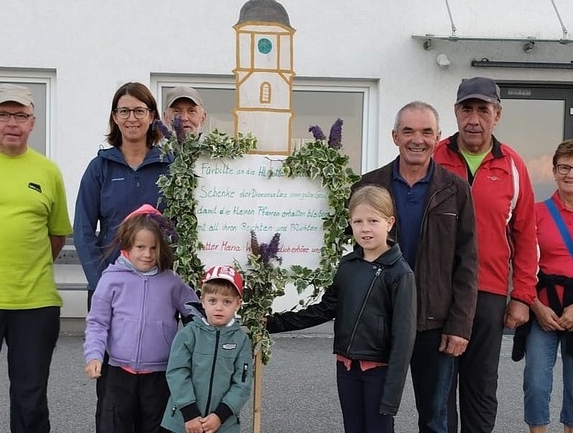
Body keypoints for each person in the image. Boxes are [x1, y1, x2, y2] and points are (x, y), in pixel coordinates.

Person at [354, 101, 478, 433]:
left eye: (426, 132)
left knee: (435, 419)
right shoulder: (369, 186)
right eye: (408, 131)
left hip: (434, 324)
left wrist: (460, 325)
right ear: (395, 136)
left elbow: (467, 262)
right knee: (376, 417)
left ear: (438, 137)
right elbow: (355, 258)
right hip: (380, 322)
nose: (417, 140)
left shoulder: (456, 189)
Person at [267, 185, 416, 433]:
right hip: (346, 369)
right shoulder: (348, 266)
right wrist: (273, 323)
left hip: (378, 373)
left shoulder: (400, 274)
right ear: (350, 223)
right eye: (358, 221)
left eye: (373, 221)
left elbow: (404, 339)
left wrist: (391, 396)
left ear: (389, 223)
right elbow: (324, 309)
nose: (365, 228)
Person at [434, 77, 537, 433]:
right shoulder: (434, 158)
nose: (474, 119)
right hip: (438, 291)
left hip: (488, 292)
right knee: (439, 386)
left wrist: (522, 296)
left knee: (480, 386)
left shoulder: (513, 165)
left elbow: (526, 235)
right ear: (456, 112)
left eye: (483, 110)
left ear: (497, 115)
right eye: (467, 110)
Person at [74, 81, 173, 430]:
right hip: (110, 288)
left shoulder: (170, 165)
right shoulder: (100, 167)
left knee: (155, 387)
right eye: (124, 111)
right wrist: (102, 282)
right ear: (115, 117)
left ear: (152, 116)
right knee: (112, 389)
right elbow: (83, 229)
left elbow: (184, 226)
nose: (132, 118)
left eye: (139, 110)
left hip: (157, 288)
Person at [0, 83, 71, 433]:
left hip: (35, 303)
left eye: (20, 115)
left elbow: (57, 234)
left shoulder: (48, 171)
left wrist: (28, 266)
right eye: (3, 114)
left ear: (32, 122)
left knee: (30, 402)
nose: (11, 122)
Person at [84, 204, 198, 433]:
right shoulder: (111, 279)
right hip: (119, 372)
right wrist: (94, 355)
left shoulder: (171, 282)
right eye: (140, 247)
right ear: (126, 245)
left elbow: (195, 311)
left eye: (153, 248)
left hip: (159, 375)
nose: (147, 254)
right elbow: (97, 323)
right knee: (115, 425)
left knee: (156, 427)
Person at [514, 139, 573, 433]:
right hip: (543, 309)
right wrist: (536, 307)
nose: (570, 174)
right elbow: (520, 261)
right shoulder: (536, 212)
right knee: (536, 382)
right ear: (554, 171)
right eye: (564, 167)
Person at [161, 265, 252, 433]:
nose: (219, 307)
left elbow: (242, 383)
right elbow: (177, 372)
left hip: (223, 425)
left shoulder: (241, 340)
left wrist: (220, 416)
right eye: (212, 300)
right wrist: (190, 414)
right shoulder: (188, 334)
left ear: (238, 304)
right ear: (202, 301)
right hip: (183, 422)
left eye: (227, 301)